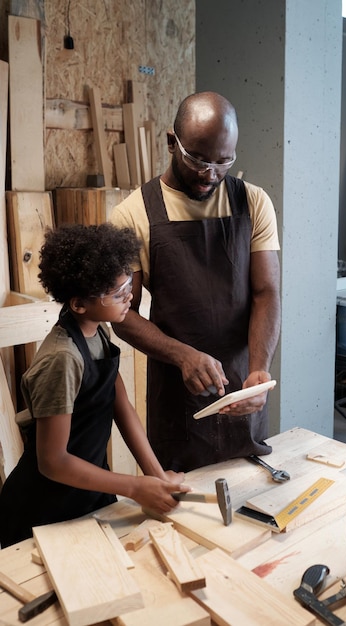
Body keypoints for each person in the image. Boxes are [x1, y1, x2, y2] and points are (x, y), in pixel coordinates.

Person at [110, 91, 281, 472]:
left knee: (250, 487)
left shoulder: (254, 204)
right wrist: (183, 355)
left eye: (224, 162)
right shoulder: (133, 214)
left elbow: (266, 292)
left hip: (241, 384)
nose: (210, 174)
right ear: (172, 142)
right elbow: (122, 314)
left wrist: (259, 369)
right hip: (177, 397)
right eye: (198, 159)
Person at [0, 223, 189, 548]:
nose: (129, 296)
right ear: (78, 304)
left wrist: (156, 477)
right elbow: (53, 461)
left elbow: (122, 407)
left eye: (127, 285)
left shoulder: (97, 333)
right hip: (45, 507)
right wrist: (132, 487)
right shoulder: (62, 360)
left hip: (87, 494)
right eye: (117, 294)